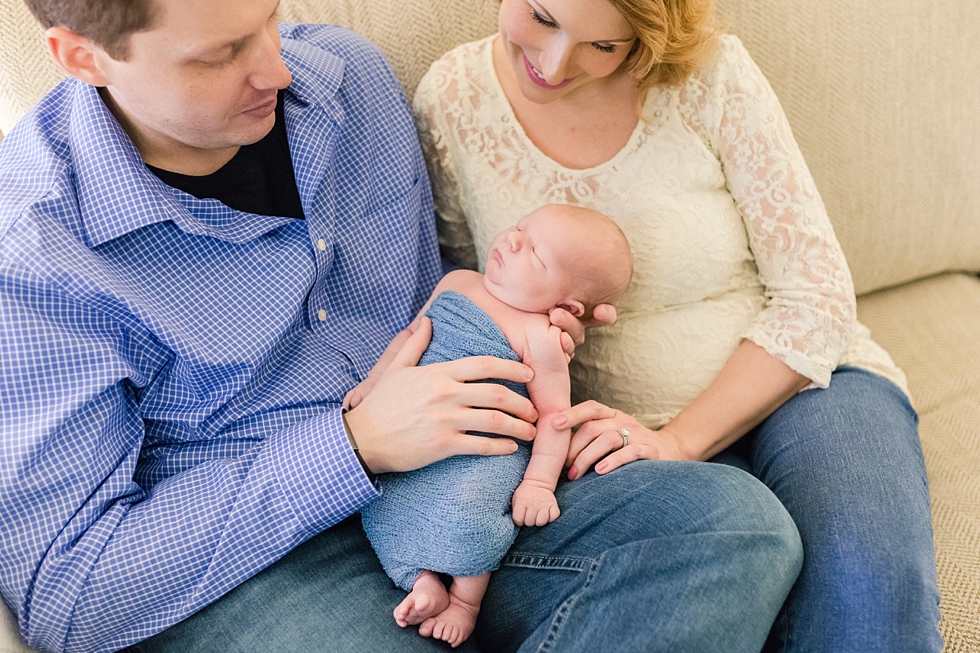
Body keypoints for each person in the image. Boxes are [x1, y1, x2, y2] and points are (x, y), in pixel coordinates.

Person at [0, 0, 804, 651]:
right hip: (255, 561)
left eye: (270, 20)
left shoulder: (348, 83)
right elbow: (70, 594)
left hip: (462, 480)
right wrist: (351, 447)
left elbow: (442, 303)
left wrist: (528, 321)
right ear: (81, 57)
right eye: (219, 55)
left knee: (735, 529)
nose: (278, 69)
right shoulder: (34, 256)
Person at [413, 0, 944, 650]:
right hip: (604, 442)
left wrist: (681, 440)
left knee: (870, 586)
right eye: (542, 17)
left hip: (809, 384)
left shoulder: (708, 75)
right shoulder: (452, 98)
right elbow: (464, 301)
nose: (554, 64)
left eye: (602, 46)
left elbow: (818, 297)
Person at [351, 204, 633, 648]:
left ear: (567, 305)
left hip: (484, 450)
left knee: (472, 507)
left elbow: (555, 419)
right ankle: (421, 578)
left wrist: (538, 484)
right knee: (384, 500)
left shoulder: (541, 337)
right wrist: (374, 384)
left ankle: (465, 600)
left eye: (536, 253)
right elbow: (410, 336)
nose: (512, 240)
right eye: (520, 227)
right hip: (404, 429)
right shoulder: (457, 281)